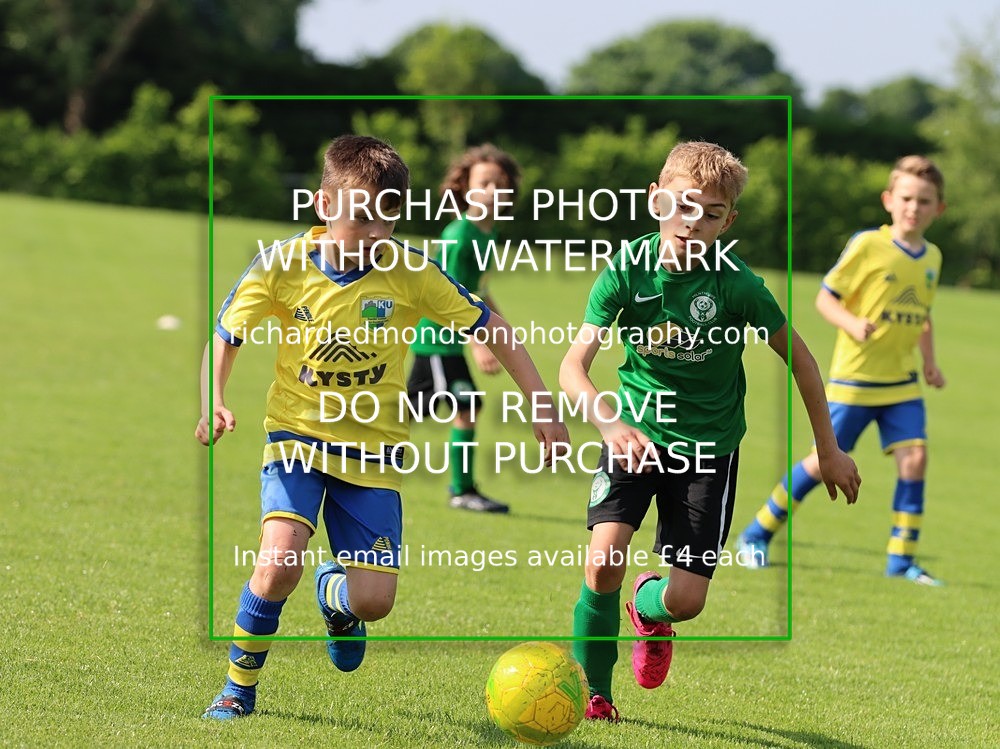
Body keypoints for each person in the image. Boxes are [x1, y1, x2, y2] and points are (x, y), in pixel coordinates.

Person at [196, 135, 568, 720]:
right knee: (276, 563)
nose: (373, 232)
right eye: (360, 216)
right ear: (323, 205)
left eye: (387, 219)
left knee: (374, 603)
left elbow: (495, 328)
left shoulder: (411, 273)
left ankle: (334, 593)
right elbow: (227, 335)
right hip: (295, 437)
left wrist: (541, 402)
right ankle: (237, 689)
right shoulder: (280, 265)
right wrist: (214, 399)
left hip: (373, 452)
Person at [560, 141, 861, 721]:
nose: (691, 222)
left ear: (729, 221)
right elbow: (574, 366)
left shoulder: (738, 286)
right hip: (634, 435)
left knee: (687, 601)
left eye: (710, 213)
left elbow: (801, 359)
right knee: (601, 562)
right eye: (680, 204)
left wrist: (829, 449)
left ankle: (650, 609)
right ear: (655, 199)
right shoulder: (625, 270)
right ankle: (594, 693)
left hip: (708, 450)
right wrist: (609, 421)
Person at [737, 155, 947, 586]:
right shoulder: (868, 245)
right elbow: (825, 298)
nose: (914, 207)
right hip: (855, 382)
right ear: (889, 200)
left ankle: (901, 559)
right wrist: (851, 323)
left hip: (902, 384)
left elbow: (922, 313)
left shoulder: (934, 258)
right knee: (820, 463)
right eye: (907, 197)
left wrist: (929, 360)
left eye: (925, 201)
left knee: (916, 460)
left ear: (938, 209)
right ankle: (756, 533)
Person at [407, 144, 521, 513]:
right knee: (465, 406)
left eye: (500, 183)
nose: (493, 190)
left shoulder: (489, 234)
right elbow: (451, 298)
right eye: (484, 182)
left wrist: (502, 329)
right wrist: (479, 343)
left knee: (403, 411)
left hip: (449, 342)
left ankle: (350, 450)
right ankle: (462, 490)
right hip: (438, 339)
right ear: (466, 188)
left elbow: (481, 289)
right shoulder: (460, 235)